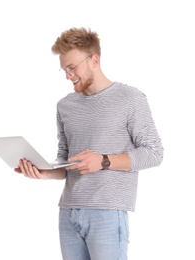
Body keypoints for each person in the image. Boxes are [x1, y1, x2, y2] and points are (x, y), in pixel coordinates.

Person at [14, 27, 163, 260]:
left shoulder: (130, 98)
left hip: (107, 213)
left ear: (94, 59)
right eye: (64, 70)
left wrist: (103, 161)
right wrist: (45, 172)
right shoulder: (65, 106)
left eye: (72, 68)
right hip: (68, 212)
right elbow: (66, 161)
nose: (68, 75)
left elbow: (154, 153)